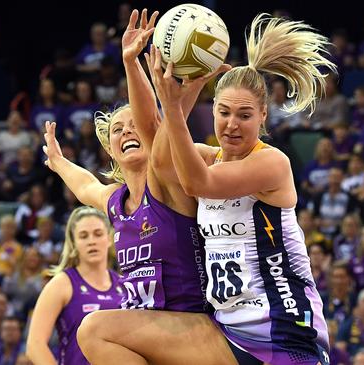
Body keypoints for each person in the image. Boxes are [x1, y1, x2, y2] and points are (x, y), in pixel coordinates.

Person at [46, 9, 238, 365]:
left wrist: (135, 65)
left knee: (93, 330)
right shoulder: (116, 201)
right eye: (117, 130)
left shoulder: (168, 181)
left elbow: (158, 121)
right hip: (151, 337)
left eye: (133, 126)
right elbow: (86, 185)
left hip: (196, 329)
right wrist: (58, 163)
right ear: (109, 149)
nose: (127, 132)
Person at [142, 12, 335, 365]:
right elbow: (162, 163)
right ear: (212, 110)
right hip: (228, 330)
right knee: (101, 331)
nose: (232, 125)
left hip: (283, 329)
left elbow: (195, 182)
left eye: (244, 116)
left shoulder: (271, 163)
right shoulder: (207, 156)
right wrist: (192, 88)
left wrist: (170, 104)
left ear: (263, 115)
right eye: (224, 112)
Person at [26, 207, 124, 365]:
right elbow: (34, 345)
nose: (91, 241)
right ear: (74, 242)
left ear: (109, 238)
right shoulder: (62, 283)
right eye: (83, 236)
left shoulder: (124, 284)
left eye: (98, 234)